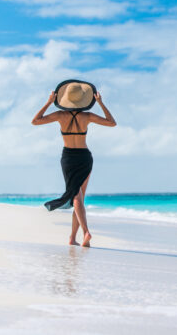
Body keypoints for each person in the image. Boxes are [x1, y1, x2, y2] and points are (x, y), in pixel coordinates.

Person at [31, 81, 116, 247]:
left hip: (69, 157)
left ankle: (86, 233)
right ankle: (72, 238)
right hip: (85, 157)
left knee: (76, 197)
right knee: (79, 198)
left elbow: (35, 121)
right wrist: (100, 103)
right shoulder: (87, 116)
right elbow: (111, 122)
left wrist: (48, 102)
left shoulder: (60, 116)